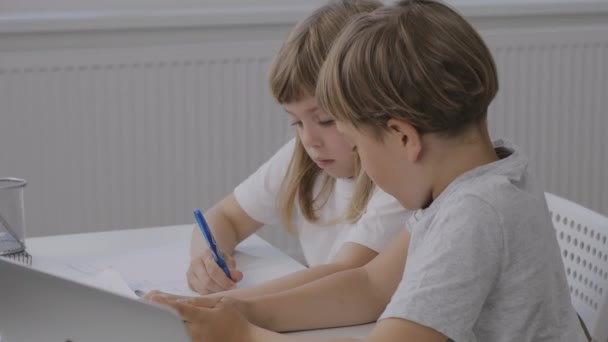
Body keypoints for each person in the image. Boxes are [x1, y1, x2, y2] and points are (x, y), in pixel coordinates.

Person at [150, 0, 588, 341]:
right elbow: (370, 286)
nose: (364, 170)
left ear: (403, 138)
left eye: (357, 144)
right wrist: (242, 312)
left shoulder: (474, 214)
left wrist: (244, 336)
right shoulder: (472, 181)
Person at [185, 0, 409, 298]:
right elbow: (224, 216)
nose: (309, 139)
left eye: (326, 120)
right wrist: (207, 260)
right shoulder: (303, 158)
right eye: (296, 123)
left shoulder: (400, 183)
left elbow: (345, 277)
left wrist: (229, 305)